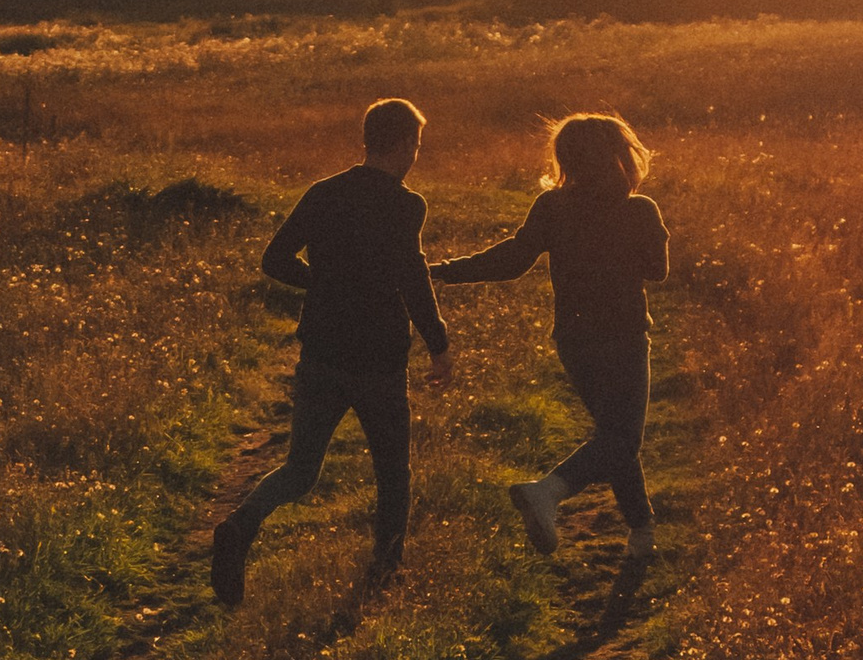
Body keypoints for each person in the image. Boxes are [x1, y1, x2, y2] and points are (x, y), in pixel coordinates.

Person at [210, 97, 452, 607]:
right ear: (407, 145)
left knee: (300, 470)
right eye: (416, 145)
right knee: (392, 471)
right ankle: (386, 574)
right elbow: (413, 278)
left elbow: (274, 259)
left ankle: (240, 525)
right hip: (380, 359)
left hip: (321, 352)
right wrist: (438, 344)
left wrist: (322, 285)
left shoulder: (323, 193)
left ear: (367, 139)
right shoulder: (407, 204)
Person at [433, 113, 667, 560]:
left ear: (567, 159)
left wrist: (446, 272)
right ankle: (548, 493)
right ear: (620, 154)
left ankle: (641, 531)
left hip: (574, 342)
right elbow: (657, 271)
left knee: (611, 436)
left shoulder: (552, 207)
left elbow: (513, 260)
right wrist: (649, 235)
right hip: (623, 337)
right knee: (621, 439)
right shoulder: (639, 209)